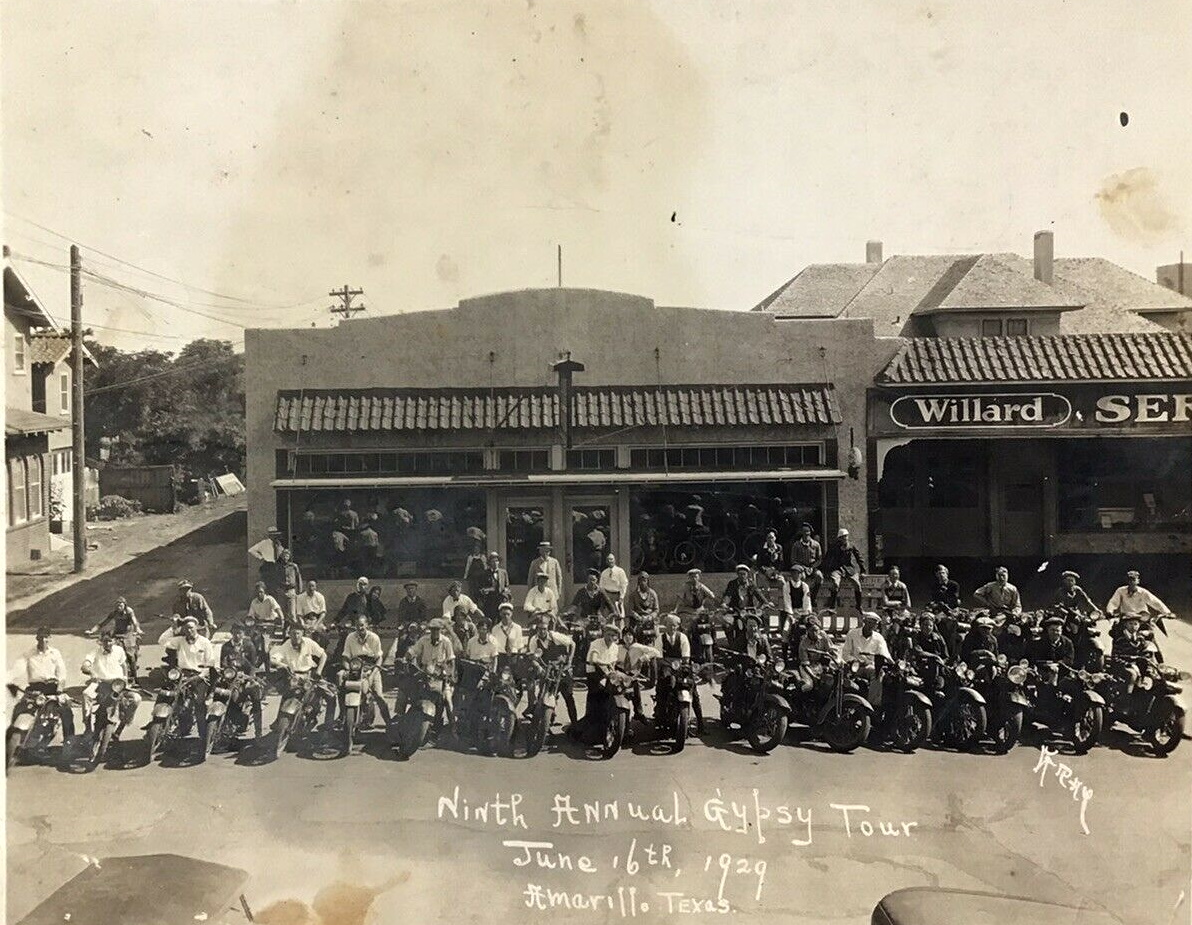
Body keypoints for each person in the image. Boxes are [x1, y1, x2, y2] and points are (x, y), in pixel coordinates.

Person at [10, 628, 76, 742]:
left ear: (49, 638)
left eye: (46, 637)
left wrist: (60, 688)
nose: (43, 639)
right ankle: (10, 740)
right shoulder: (29, 653)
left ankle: (69, 742)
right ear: (37, 638)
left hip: (52, 688)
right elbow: (17, 669)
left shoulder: (55, 653)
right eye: (40, 637)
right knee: (18, 709)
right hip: (34, 689)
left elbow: (62, 673)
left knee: (66, 711)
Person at [160, 617, 217, 743]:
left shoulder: (205, 642)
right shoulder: (180, 641)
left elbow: (211, 662)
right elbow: (162, 641)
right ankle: (170, 727)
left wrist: (201, 675)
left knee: (199, 704)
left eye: (191, 627)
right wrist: (173, 627)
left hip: (200, 675)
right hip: (183, 675)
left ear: (196, 628)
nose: (189, 630)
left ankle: (203, 736)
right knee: (174, 698)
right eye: (186, 628)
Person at [271, 623, 336, 729]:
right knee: (287, 694)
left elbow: (323, 655)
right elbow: (274, 658)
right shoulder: (286, 645)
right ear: (289, 634)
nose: (295, 636)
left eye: (298, 633)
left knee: (331, 695)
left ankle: (328, 725)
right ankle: (279, 718)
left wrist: (319, 671)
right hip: (294, 675)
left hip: (310, 674)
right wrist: (282, 665)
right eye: (293, 633)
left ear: (302, 634)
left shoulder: (309, 642)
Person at [79, 631, 140, 738]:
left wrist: (125, 678)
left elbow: (124, 664)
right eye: (105, 641)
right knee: (86, 694)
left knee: (136, 699)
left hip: (118, 683)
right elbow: (86, 664)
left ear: (114, 641)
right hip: (100, 682)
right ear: (100, 642)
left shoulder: (119, 650)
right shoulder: (95, 652)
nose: (107, 643)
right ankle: (87, 727)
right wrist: (89, 670)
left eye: (110, 640)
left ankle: (124, 723)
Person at [340, 613, 392, 728]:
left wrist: (373, 674)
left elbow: (379, 658)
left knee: (378, 695)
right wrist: (348, 669)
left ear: (367, 625)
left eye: (362, 625)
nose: (360, 628)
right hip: (355, 668)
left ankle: (389, 724)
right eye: (357, 625)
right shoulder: (350, 637)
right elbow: (345, 657)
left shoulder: (374, 638)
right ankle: (344, 717)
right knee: (344, 688)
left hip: (372, 667)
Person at [655, 613, 704, 733]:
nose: (672, 628)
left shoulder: (682, 637)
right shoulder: (660, 639)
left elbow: (686, 656)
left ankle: (701, 723)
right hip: (666, 668)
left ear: (678, 626)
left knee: (693, 689)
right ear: (665, 625)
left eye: (675, 625)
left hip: (682, 668)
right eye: (670, 625)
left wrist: (679, 663)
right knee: (662, 689)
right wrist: (669, 664)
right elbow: (659, 658)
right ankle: (660, 717)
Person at [405, 618, 456, 730]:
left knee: (447, 700)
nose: (435, 632)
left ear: (441, 630)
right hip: (425, 673)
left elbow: (451, 660)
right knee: (410, 692)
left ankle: (453, 729)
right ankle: (407, 722)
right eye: (433, 630)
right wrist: (408, 656)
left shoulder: (446, 641)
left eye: (437, 630)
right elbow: (414, 650)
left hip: (441, 675)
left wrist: (449, 674)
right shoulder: (423, 640)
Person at [525, 620, 579, 725]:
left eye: (544, 629)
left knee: (568, 696)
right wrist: (539, 667)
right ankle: (545, 723)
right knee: (543, 694)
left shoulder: (555, 636)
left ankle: (575, 724)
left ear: (547, 629)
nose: (542, 631)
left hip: (561, 668)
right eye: (540, 629)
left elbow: (572, 644)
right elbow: (533, 658)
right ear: (537, 629)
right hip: (546, 669)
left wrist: (569, 661)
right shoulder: (534, 640)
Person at [219, 623, 264, 741]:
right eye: (235, 633)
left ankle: (258, 732)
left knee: (255, 695)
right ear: (231, 633)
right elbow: (223, 664)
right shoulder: (226, 647)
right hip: (231, 678)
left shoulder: (249, 645)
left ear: (244, 634)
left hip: (246, 677)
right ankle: (225, 726)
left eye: (240, 633)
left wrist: (249, 678)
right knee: (223, 695)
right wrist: (228, 675)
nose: (237, 635)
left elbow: (253, 665)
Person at [839, 611, 891, 705]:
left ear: (876, 626)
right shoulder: (852, 634)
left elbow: (885, 653)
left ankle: (873, 704)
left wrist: (892, 662)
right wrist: (854, 660)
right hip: (854, 667)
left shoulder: (879, 638)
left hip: (869, 667)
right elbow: (845, 653)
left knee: (879, 673)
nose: (871, 625)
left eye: (874, 624)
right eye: (869, 622)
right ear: (864, 622)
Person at [821, 529, 866, 608]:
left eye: (846, 537)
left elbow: (859, 558)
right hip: (837, 568)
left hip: (849, 568)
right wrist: (826, 571)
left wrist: (863, 570)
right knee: (835, 583)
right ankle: (832, 605)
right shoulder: (834, 547)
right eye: (842, 537)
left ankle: (859, 605)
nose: (844, 539)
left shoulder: (851, 546)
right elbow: (827, 559)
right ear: (839, 538)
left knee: (857, 584)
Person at [1106, 570, 1173, 621]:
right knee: (1115, 632)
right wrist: (1110, 611)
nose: (1132, 582)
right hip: (1126, 618)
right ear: (1127, 581)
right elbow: (1113, 602)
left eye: (1134, 580)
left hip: (1141, 618)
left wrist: (1167, 612)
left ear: (1138, 581)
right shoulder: (1120, 590)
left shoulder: (1143, 592)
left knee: (1149, 633)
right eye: (1130, 580)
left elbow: (1155, 602)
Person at [795, 615, 839, 692]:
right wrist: (813, 677)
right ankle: (800, 699)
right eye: (813, 631)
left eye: (817, 630)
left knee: (833, 681)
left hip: (819, 665)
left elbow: (831, 650)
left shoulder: (823, 635)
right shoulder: (803, 644)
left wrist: (837, 657)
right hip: (808, 668)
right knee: (808, 686)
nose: (816, 633)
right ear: (807, 630)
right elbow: (805, 664)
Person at [1110, 615, 1150, 693]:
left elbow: (1145, 654)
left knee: (1151, 675)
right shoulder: (1120, 639)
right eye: (1130, 624)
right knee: (1132, 674)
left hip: (1137, 665)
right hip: (1122, 665)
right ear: (1125, 625)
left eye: (1135, 624)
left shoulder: (1140, 639)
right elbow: (1115, 657)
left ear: (1139, 626)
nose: (1133, 626)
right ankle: (1127, 697)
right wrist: (1129, 664)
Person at [790, 523, 824, 603]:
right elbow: (793, 560)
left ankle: (813, 597)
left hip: (812, 567)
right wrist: (802, 568)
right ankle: (800, 598)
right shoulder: (796, 545)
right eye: (804, 532)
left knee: (819, 576)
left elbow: (819, 559)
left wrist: (812, 567)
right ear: (801, 533)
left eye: (808, 532)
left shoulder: (816, 544)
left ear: (810, 533)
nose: (806, 534)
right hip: (801, 568)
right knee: (801, 578)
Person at [479, 551, 511, 620]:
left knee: (501, 621)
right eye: (493, 561)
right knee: (490, 621)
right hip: (490, 601)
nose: (495, 563)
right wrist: (486, 590)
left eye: (496, 561)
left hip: (501, 600)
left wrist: (506, 591)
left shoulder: (503, 572)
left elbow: (507, 586)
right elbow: (482, 587)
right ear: (489, 563)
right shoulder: (485, 573)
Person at [598, 554, 630, 620]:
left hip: (617, 596)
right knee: (607, 617)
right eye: (608, 560)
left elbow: (624, 584)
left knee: (618, 616)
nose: (610, 561)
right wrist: (604, 597)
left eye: (611, 559)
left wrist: (621, 597)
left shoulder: (620, 571)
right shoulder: (604, 573)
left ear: (614, 560)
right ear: (606, 562)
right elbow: (601, 586)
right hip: (607, 596)